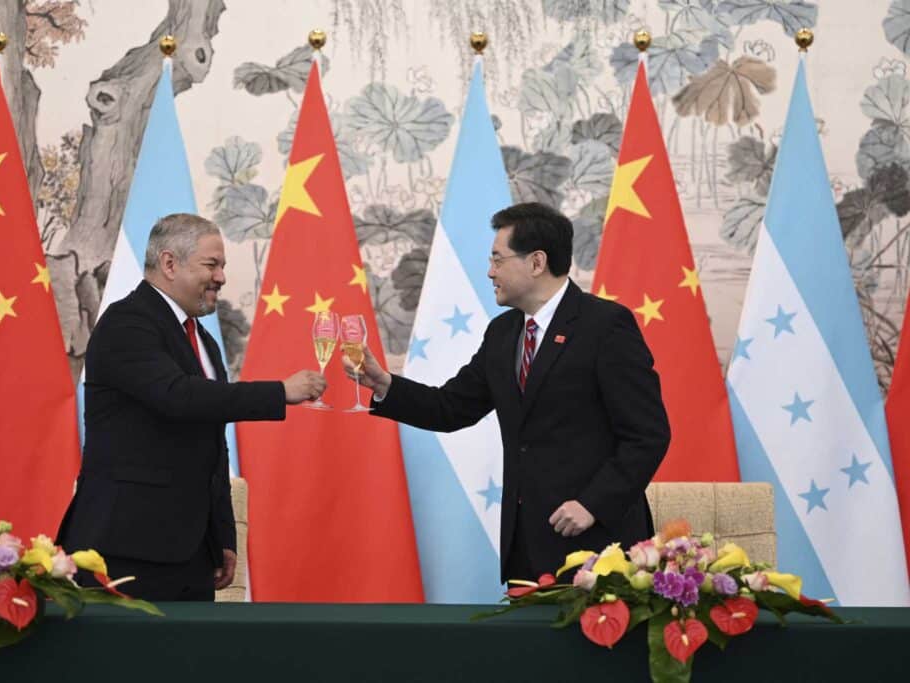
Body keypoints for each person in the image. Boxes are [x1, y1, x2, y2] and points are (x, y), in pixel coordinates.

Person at [343, 202, 670, 583]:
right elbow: (451, 408)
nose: (489, 271)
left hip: (597, 546)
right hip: (526, 546)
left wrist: (592, 504)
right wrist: (385, 384)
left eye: (498, 260)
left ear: (536, 262)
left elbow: (648, 435)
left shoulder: (606, 326)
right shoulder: (503, 333)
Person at [57, 213, 326, 601]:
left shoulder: (202, 339)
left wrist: (223, 536)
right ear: (170, 264)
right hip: (124, 550)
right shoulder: (127, 322)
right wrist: (278, 391)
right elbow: (178, 396)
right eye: (211, 265)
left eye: (223, 266)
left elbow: (212, 443)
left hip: (192, 553)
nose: (220, 277)